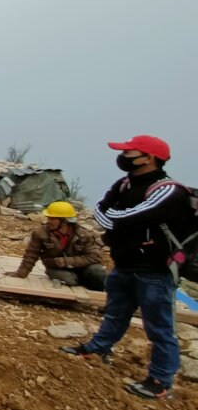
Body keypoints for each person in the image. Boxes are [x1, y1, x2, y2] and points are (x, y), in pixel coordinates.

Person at [61, 135, 194, 400]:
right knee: (114, 314)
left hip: (154, 272)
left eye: (128, 152)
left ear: (148, 157)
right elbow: (101, 212)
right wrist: (115, 218)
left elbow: (127, 218)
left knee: (159, 329)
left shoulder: (168, 191)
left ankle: (160, 381)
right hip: (123, 265)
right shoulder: (124, 184)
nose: (123, 157)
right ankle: (98, 348)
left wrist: (114, 217)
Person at [9, 201, 106, 290]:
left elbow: (95, 257)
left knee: (97, 272)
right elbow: (31, 254)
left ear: (64, 221)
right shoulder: (41, 233)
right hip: (56, 268)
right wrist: (21, 273)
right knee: (68, 279)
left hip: (81, 267)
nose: (48, 221)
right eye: (48, 218)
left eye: (52, 219)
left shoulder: (83, 234)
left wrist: (67, 261)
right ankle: (85, 283)